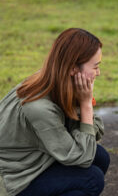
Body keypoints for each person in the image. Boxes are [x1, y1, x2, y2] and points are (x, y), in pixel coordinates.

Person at [0, 28, 110, 196]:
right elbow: (82, 156)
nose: (98, 73)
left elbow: (96, 134)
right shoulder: (39, 107)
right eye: (95, 67)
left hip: (35, 160)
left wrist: (82, 102)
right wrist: (86, 105)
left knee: (100, 156)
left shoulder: (57, 81)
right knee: (91, 179)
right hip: (14, 178)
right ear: (73, 68)